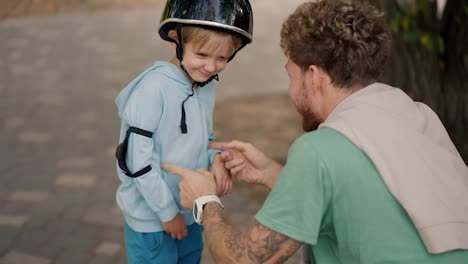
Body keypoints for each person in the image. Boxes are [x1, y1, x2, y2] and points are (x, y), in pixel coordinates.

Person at [161, 0, 468, 263]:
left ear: (313, 76)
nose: (292, 91)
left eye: (291, 76)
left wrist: (206, 202)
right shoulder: (415, 115)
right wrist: (272, 173)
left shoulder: (320, 149)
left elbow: (243, 259)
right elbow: (362, 195)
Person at [113, 0, 253, 263]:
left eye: (221, 58)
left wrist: (218, 159)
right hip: (153, 221)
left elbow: (203, 138)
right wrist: (167, 213)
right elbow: (135, 163)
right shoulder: (152, 90)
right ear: (176, 40)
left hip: (191, 210)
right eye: (201, 55)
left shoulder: (205, 84)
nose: (211, 67)